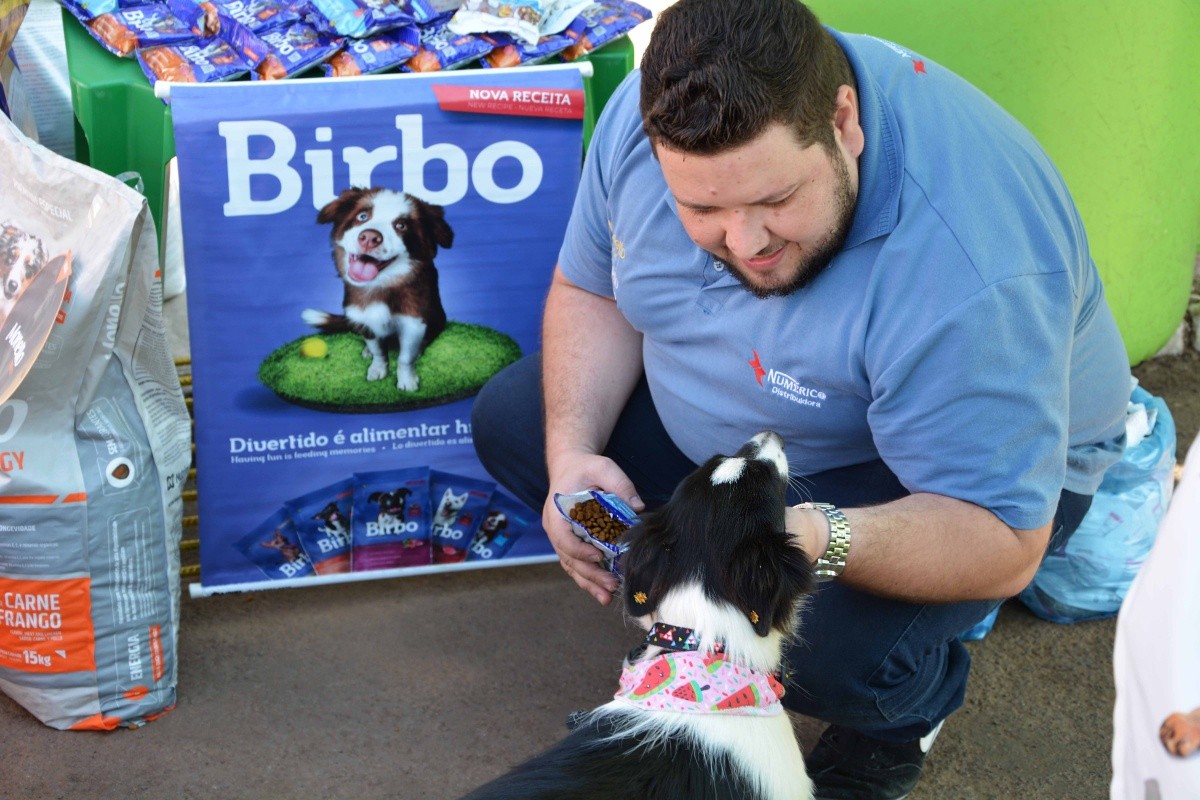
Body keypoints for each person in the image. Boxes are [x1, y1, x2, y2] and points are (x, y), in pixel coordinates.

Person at [472, 0, 1132, 797]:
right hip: (748, 435)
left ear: (843, 123)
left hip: (933, 482)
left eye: (775, 200)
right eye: (702, 210)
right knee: (517, 422)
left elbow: (1003, 537)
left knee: (835, 657)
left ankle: (907, 708)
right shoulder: (651, 114)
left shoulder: (970, 270)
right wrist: (571, 454)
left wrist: (811, 540)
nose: (744, 242)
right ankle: (706, 624)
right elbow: (589, 289)